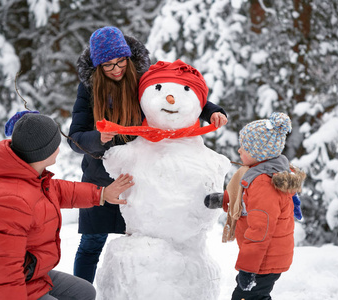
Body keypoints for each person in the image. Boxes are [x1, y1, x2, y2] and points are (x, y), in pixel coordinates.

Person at [67, 25, 229, 283]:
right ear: (98, 67)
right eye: (108, 65)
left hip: (140, 174)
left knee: (145, 243)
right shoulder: (88, 89)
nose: (117, 69)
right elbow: (75, 139)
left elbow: (176, 92)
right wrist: (98, 138)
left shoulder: (144, 76)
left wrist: (211, 111)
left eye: (121, 61)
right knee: (91, 244)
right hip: (100, 176)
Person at [0, 111, 134, 300]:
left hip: (29, 274)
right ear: (42, 153)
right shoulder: (8, 203)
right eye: (55, 145)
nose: (59, 149)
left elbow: (59, 190)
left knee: (85, 292)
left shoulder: (27, 174)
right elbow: (6, 275)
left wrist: (102, 194)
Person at [204, 112, 306, 300]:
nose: (239, 151)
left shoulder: (263, 183)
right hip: (264, 258)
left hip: (262, 261)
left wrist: (248, 269)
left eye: (245, 147)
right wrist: (223, 200)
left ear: (259, 153)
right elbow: (246, 201)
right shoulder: (261, 173)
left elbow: (260, 229)